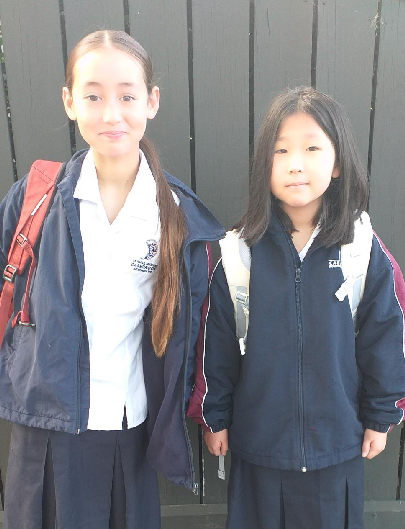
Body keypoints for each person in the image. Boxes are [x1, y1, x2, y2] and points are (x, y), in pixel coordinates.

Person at [0, 30, 224, 529]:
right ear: (69, 102)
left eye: (126, 96)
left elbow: (198, 329)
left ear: (152, 101)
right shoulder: (36, 199)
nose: (111, 114)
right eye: (93, 96)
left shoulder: (178, 216)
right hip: (46, 426)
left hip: (130, 426)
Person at [188, 86, 405, 529]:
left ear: (337, 163)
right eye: (280, 150)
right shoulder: (237, 254)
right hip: (258, 450)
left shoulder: (362, 250)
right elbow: (215, 346)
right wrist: (215, 417)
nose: (295, 164)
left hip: (336, 450)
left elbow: (386, 336)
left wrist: (382, 415)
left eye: (312, 148)